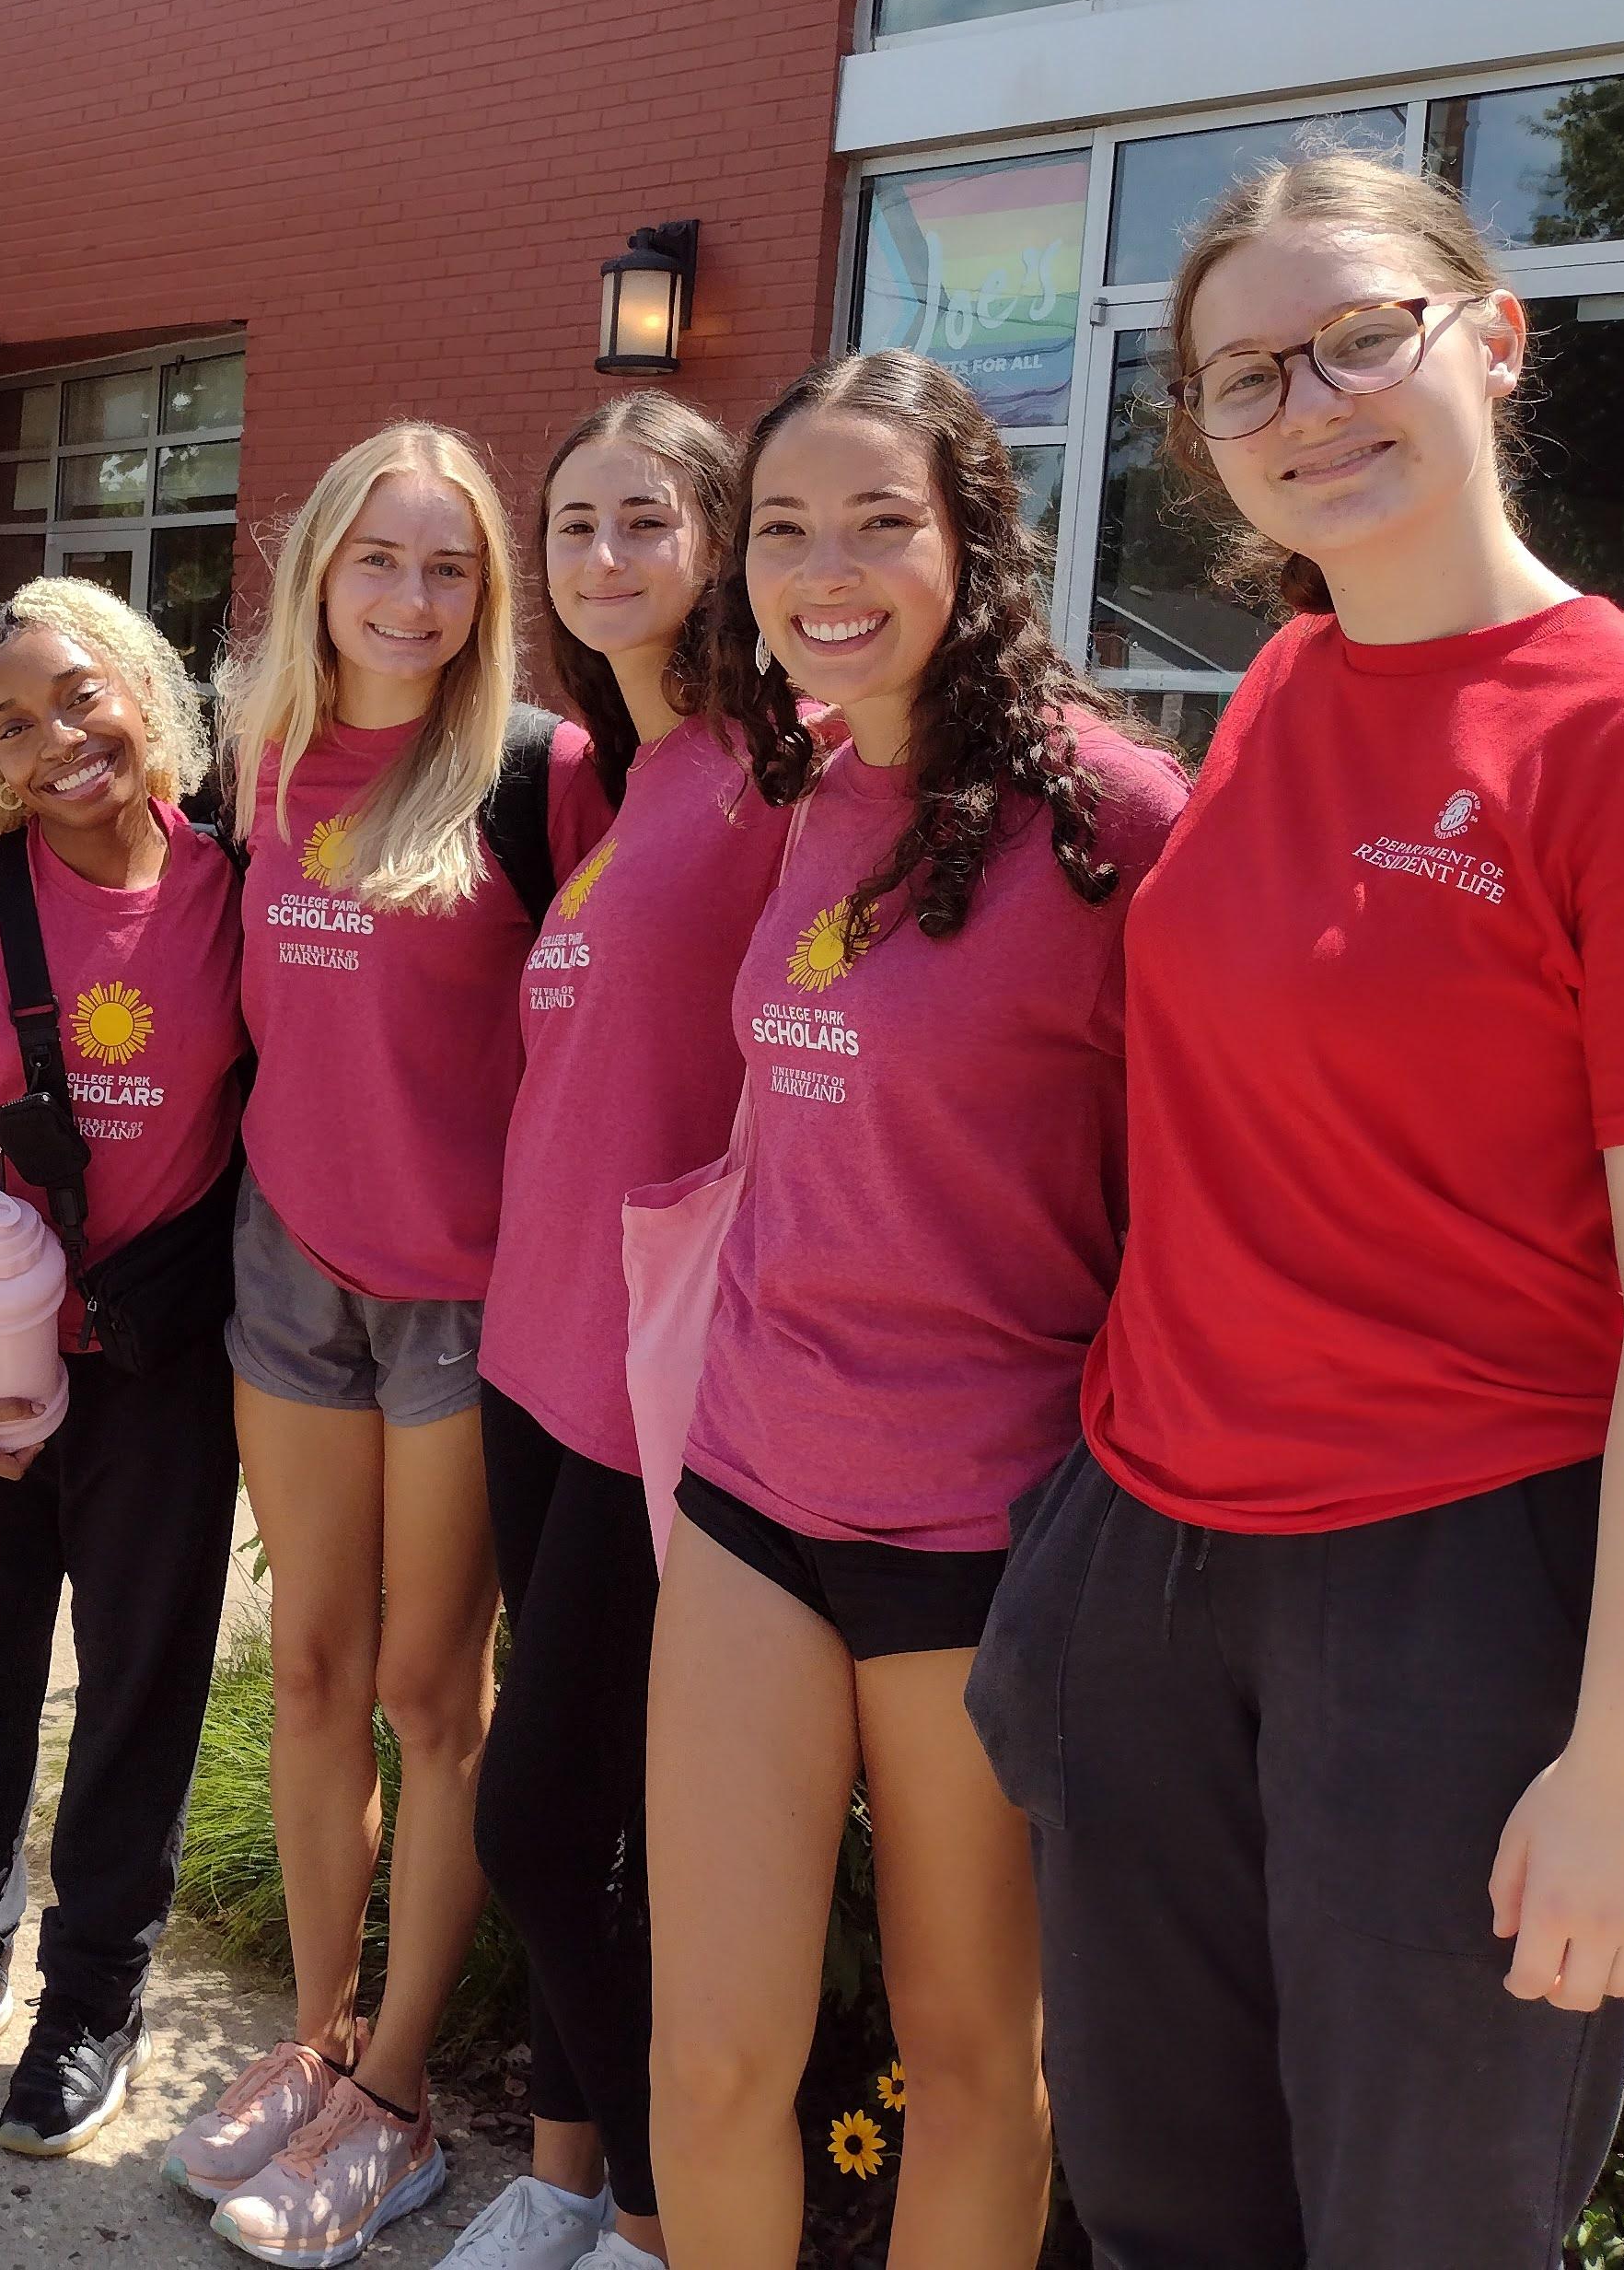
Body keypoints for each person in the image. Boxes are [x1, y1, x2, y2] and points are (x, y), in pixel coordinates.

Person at [964, 154, 1624, 2265]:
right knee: (1168, 2202)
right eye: (1245, 373)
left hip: (1450, 1594)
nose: (1309, 401)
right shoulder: (1276, 691)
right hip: (1158, 1554)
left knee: (1420, 2228)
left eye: (1362, 333)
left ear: (1493, 334)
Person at [644, 354, 1185, 2269]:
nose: (826, 566)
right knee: (706, 2063)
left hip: (989, 1531)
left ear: (971, 541)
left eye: (881, 520)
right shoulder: (809, 784)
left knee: (969, 2067)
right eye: (783, 527)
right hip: (746, 1492)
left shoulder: (1117, 824)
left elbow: (1199, 1193)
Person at [172, 423, 608, 2270]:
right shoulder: (253, 759)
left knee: (437, 1697)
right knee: (314, 1671)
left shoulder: (535, 773)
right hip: (288, 1264)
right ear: (316, 573)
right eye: (380, 561)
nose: (412, 599)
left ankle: (403, 2094)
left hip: (465, 1293)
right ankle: (315, 2034)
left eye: (449, 569)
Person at [0, 577, 248, 2158]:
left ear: (144, 686)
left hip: (163, 1359)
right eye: (9, 723)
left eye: (80, 694)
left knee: (142, 1678)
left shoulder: (235, 884)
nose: (57, 738)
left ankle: (94, 1985)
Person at [454, 395, 779, 2270]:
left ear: (720, 540)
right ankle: (564, 2177)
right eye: (572, 525)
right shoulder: (620, 775)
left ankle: (660, 2221)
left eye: (643, 520)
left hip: (660, 1390)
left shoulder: (768, 775)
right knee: (584, 1825)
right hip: (530, 1355)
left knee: (543, 1810)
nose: (601, 559)